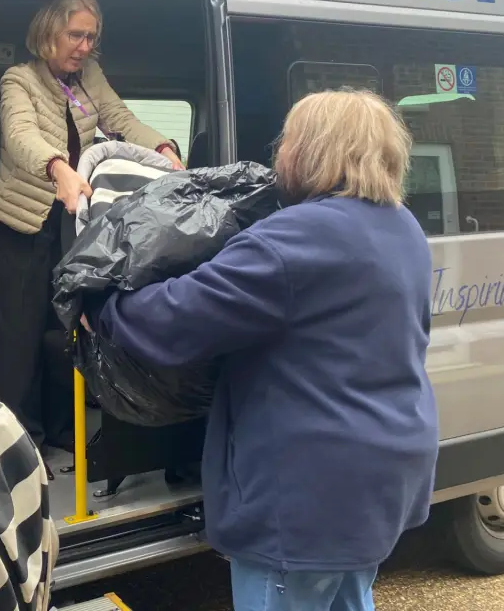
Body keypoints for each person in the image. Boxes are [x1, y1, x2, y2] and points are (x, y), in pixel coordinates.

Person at [89, 88, 439, 610]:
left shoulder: (294, 238)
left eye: (290, 139)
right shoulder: (402, 227)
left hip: (305, 496)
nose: (281, 150)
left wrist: (101, 307)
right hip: (382, 478)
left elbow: (178, 319)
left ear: (313, 150)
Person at [0, 0, 184, 459]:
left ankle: (59, 428)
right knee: (16, 336)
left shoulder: (88, 77)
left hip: (73, 221)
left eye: (91, 36)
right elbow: (20, 135)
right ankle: (14, 441)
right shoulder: (20, 79)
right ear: (48, 32)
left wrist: (163, 150)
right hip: (22, 223)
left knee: (62, 329)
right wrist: (58, 168)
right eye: (75, 34)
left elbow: (120, 119)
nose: (84, 45)